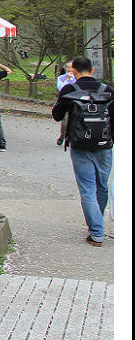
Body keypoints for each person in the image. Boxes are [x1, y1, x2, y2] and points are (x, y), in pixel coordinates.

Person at [52, 56, 113, 247]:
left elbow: (57, 115)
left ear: (74, 72)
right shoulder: (108, 91)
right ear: (93, 70)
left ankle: (96, 232)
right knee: (101, 185)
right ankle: (96, 224)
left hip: (80, 146)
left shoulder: (70, 90)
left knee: (88, 188)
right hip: (105, 145)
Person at [56, 61, 76, 145]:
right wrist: (67, 79)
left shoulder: (77, 78)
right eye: (68, 67)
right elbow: (61, 88)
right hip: (65, 101)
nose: (70, 69)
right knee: (64, 122)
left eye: (71, 67)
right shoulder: (61, 78)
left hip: (75, 101)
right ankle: (62, 136)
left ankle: (73, 138)